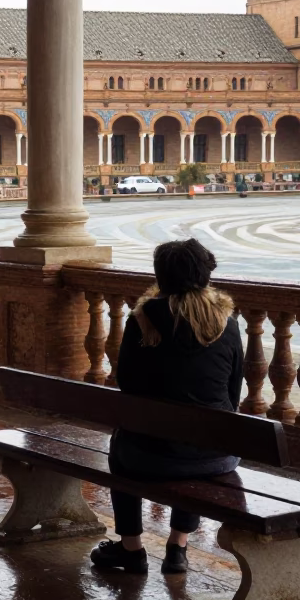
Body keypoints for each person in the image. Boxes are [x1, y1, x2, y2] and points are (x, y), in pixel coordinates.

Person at [90, 238, 243, 575]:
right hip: (217, 458)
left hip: (148, 458)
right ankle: (177, 546)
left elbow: (127, 385)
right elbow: (232, 397)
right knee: (199, 435)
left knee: (122, 446)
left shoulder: (142, 321)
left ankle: (131, 549)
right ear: (205, 275)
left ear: (161, 277)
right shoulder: (227, 325)